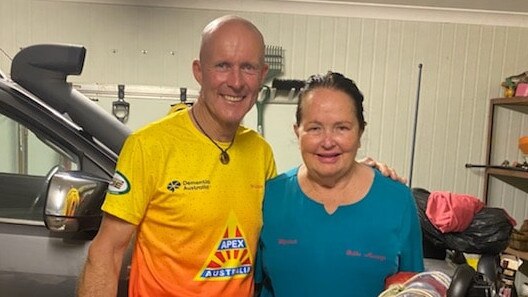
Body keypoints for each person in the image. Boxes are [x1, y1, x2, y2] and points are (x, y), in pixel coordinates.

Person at [78, 15, 404, 297]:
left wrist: (352, 173)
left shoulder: (260, 152)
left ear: (262, 74)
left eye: (247, 67)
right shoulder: (149, 146)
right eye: (222, 65)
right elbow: (105, 252)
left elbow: (295, 197)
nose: (235, 82)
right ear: (199, 71)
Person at [256, 71, 424, 297]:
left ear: (360, 132)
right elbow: (254, 286)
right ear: (297, 132)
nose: (327, 142)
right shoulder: (271, 197)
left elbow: (415, 289)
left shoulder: (397, 201)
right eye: (315, 128)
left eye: (342, 128)